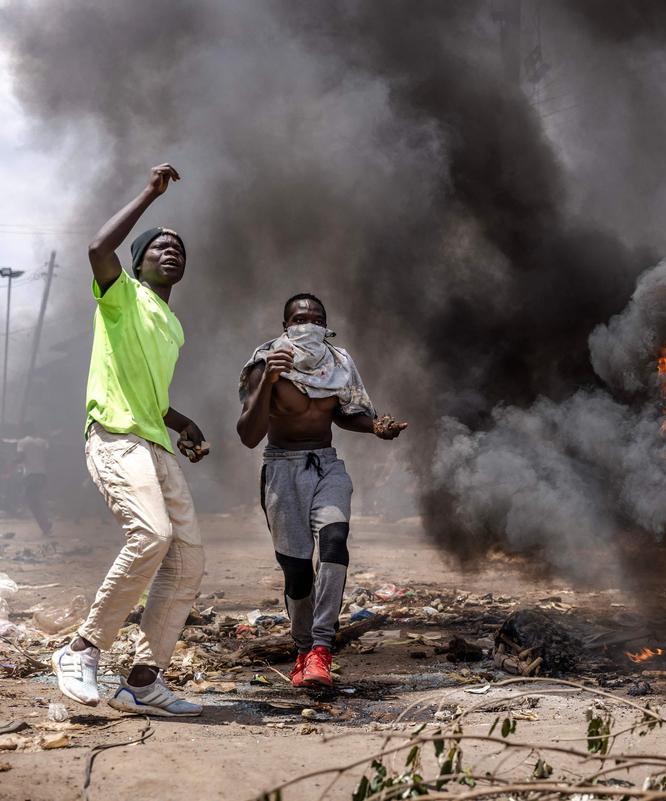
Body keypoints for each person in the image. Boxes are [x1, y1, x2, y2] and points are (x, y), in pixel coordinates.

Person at [52, 164, 208, 717]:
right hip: (115, 435)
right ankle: (80, 651)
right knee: (151, 535)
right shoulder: (122, 295)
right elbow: (97, 247)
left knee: (188, 559)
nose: (172, 252)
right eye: (160, 247)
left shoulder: (172, 323)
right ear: (138, 261)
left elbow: (150, 395)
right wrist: (149, 194)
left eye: (179, 249)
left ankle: (142, 681)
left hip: (153, 441)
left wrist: (182, 423)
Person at [237, 294, 406, 689]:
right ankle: (302, 649)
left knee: (334, 542)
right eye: (300, 318)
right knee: (297, 571)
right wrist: (271, 382)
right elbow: (248, 435)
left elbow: (347, 413)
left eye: (316, 318)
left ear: (327, 325)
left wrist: (376, 427)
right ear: (285, 327)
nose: (308, 323)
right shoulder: (265, 364)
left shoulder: (338, 363)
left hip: (326, 465)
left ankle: (321, 648)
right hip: (282, 470)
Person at [15, 424, 52, 537]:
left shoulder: (22, 442)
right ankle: (45, 523)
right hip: (42, 475)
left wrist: (12, 464)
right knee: (37, 500)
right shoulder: (43, 442)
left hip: (30, 475)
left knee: (33, 502)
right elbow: (49, 457)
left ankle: (45, 524)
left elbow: (21, 457)